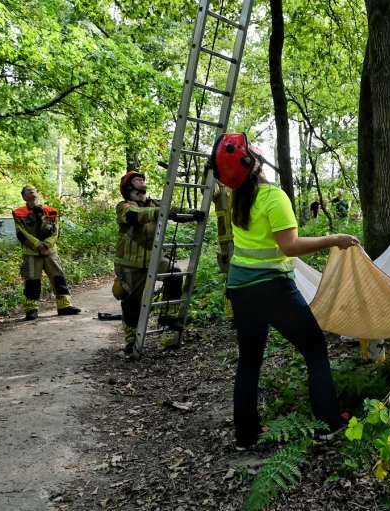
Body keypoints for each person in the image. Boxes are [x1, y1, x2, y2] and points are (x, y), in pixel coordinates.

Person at [211, 133, 359, 450]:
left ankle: (246, 435)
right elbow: (289, 246)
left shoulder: (240, 199)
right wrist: (334, 238)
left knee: (249, 361)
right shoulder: (273, 197)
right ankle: (329, 424)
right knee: (315, 349)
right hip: (272, 289)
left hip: (240, 287)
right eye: (252, 151)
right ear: (251, 162)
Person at [113, 171, 205, 354]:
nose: (142, 180)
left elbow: (173, 209)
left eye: (142, 178)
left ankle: (169, 316)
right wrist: (162, 212)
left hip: (154, 257)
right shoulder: (123, 206)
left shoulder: (155, 203)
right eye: (136, 179)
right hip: (129, 263)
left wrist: (192, 214)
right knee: (132, 303)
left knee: (175, 274)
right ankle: (132, 342)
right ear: (128, 187)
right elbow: (137, 215)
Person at [13, 186, 81, 320]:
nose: (31, 190)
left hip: (50, 252)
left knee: (59, 278)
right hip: (31, 254)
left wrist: (47, 244)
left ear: (37, 194)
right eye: (27, 190)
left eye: (33, 189)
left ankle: (64, 306)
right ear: (23, 197)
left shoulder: (50, 211)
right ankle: (31, 309)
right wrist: (38, 245)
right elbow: (21, 233)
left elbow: (56, 231)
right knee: (32, 281)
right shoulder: (18, 213)